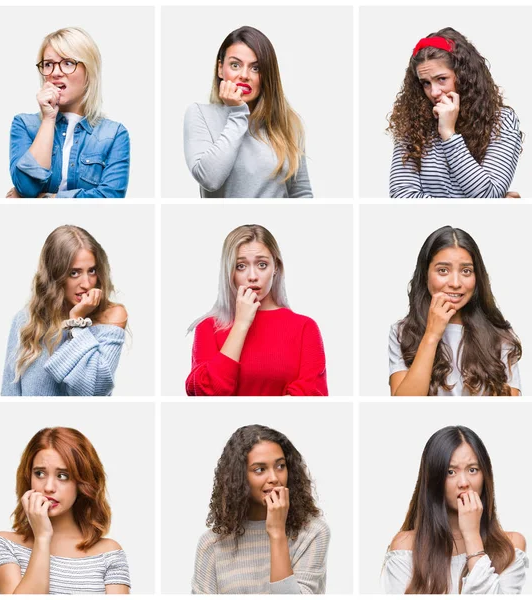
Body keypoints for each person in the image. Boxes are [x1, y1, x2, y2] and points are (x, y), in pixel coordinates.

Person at [382, 425, 527, 593]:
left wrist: (472, 536)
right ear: (434, 479)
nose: (464, 482)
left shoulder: (510, 546)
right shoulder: (406, 547)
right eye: (450, 472)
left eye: (473, 470)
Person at [186, 224, 327, 396]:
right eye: (241, 266)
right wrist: (241, 324)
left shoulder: (304, 327)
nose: (252, 276)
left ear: (276, 268)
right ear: (229, 272)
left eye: (262, 264)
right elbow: (208, 392)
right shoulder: (208, 328)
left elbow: (310, 395)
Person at [0, 427, 131, 594]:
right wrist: (42, 537)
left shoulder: (109, 554)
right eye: (39, 473)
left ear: (83, 483)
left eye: (63, 476)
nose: (48, 488)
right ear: (28, 477)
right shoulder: (4, 545)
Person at [192, 425, 330, 594]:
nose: (274, 478)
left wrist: (277, 532)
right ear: (239, 477)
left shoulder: (312, 533)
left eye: (280, 466)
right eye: (259, 470)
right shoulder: (212, 544)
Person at [388, 27, 522, 198]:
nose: (434, 92)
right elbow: (402, 195)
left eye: (441, 79)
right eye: (426, 83)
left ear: (464, 77)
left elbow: (487, 195)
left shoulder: (501, 121)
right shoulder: (413, 123)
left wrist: (448, 134)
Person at [389, 226, 521, 396]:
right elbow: (404, 404)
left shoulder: (500, 335)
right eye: (443, 270)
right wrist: (431, 335)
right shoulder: (402, 332)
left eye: (466, 271)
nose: (455, 283)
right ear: (425, 273)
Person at [183, 26, 312, 198]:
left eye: (255, 68)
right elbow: (210, 179)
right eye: (235, 65)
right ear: (221, 69)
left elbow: (301, 193)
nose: (244, 75)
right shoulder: (200, 114)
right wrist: (237, 112)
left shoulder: (287, 122)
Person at [1, 225, 127, 396]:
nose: (87, 283)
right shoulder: (26, 320)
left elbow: (96, 391)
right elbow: (10, 393)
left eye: (92, 271)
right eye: (74, 273)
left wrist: (77, 322)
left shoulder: (111, 317)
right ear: (55, 275)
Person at [8, 27, 130, 198]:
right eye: (48, 64)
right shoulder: (24, 125)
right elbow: (26, 188)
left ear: (88, 72)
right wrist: (49, 119)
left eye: (68, 63)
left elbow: (110, 197)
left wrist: (47, 198)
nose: (55, 72)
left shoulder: (114, 134)